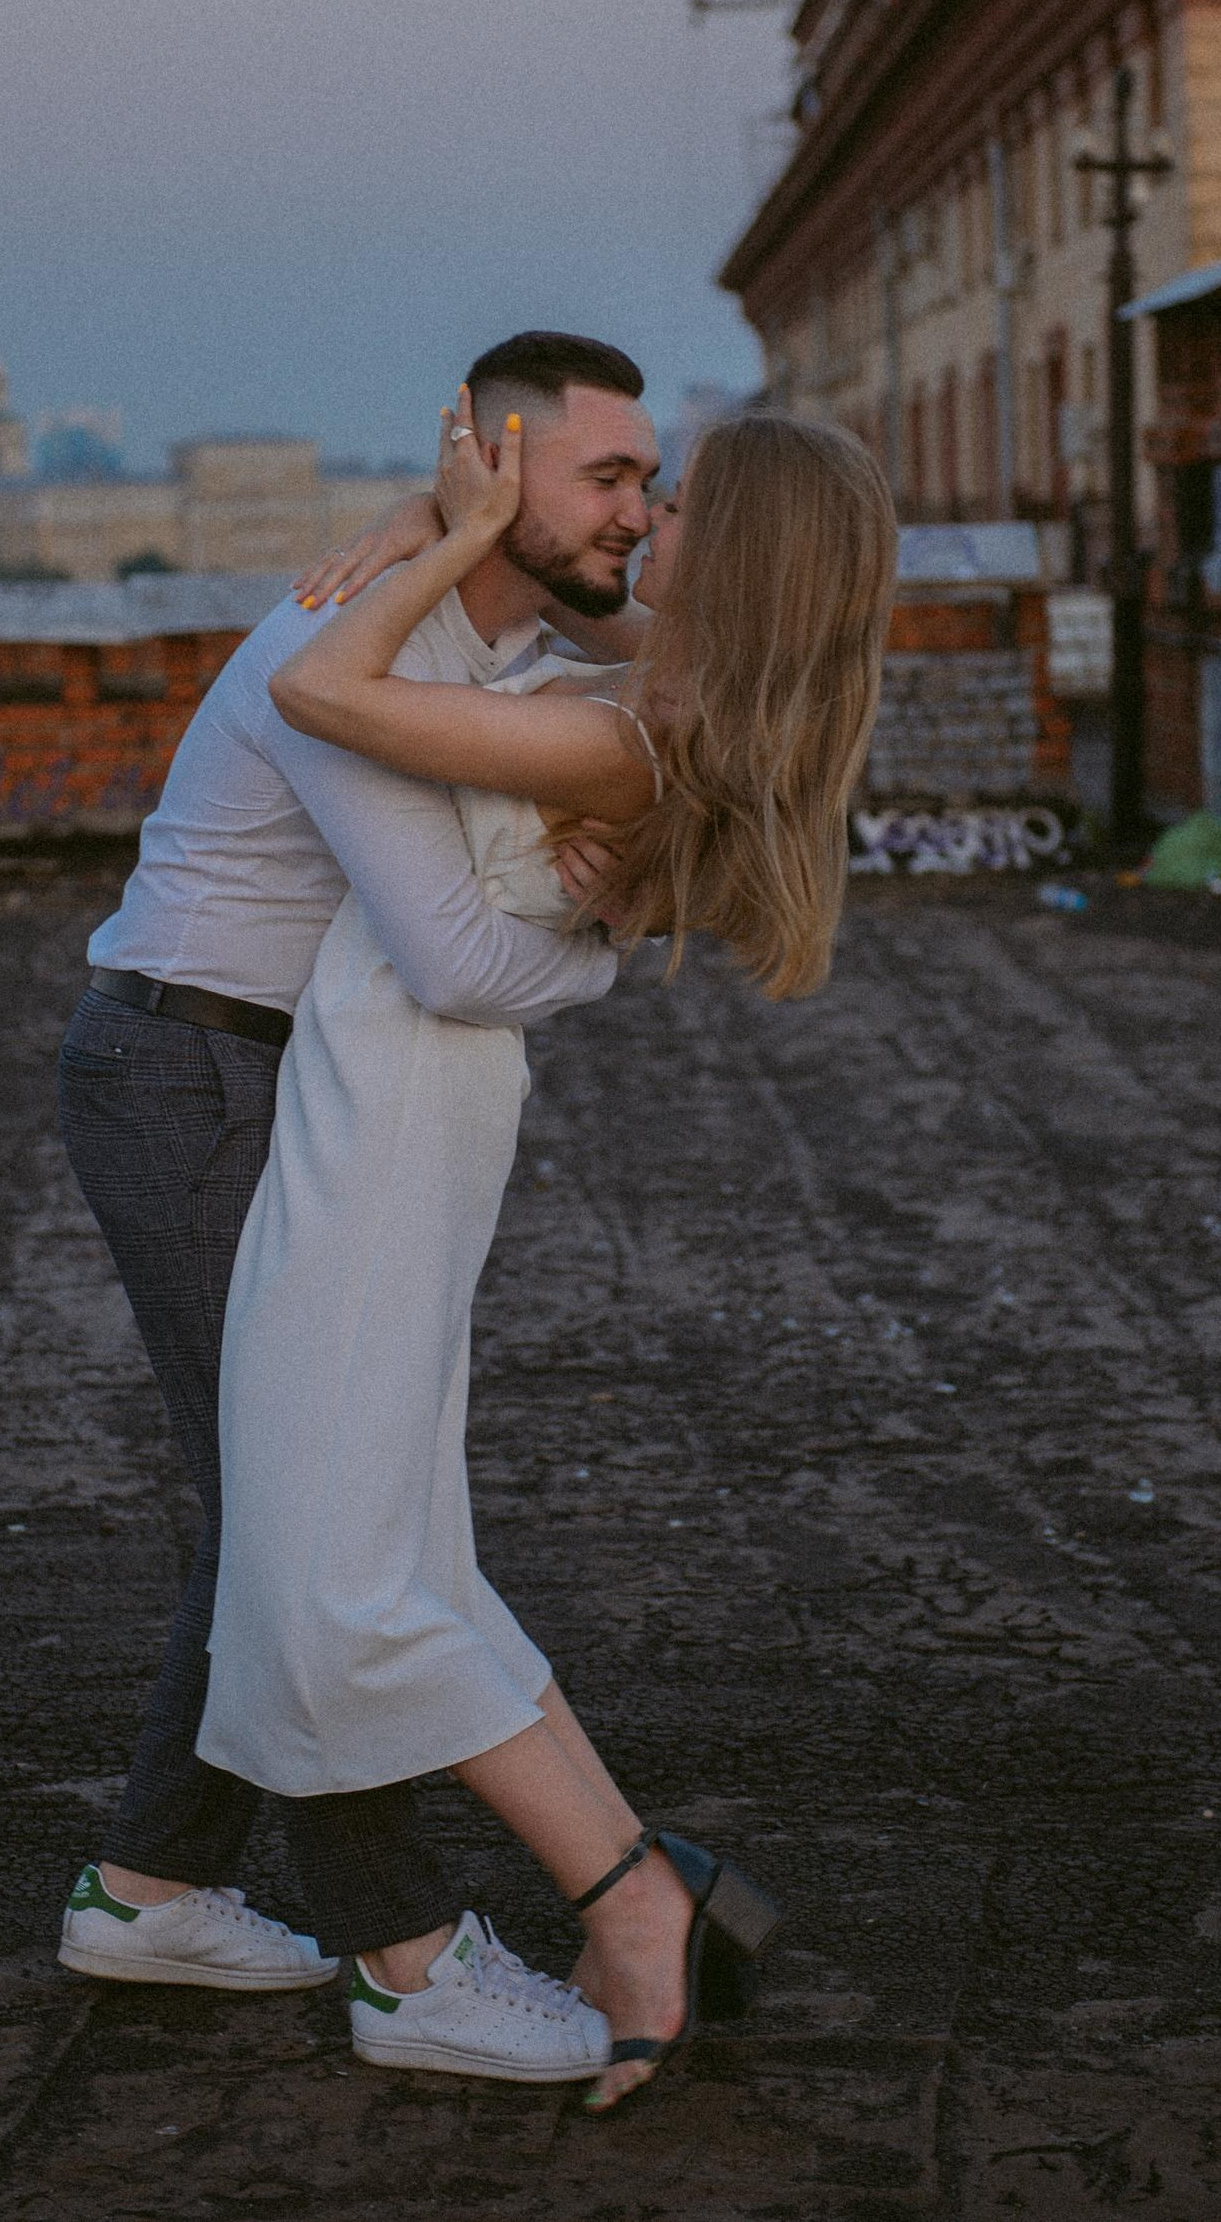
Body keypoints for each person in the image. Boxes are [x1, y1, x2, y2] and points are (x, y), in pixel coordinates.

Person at [201, 385, 897, 2110]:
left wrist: (441, 538)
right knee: (377, 1541)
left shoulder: (628, 740)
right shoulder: (689, 695)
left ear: (738, 558)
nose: (646, 522)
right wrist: (446, 546)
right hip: (402, 1104)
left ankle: (625, 1895)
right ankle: (627, 1890)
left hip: (387, 1118)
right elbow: (633, 630)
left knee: (343, 1573)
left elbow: (317, 694)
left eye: (681, 506)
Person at [54, 335, 656, 2071]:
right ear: (496, 459)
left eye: (649, 477)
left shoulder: (499, 625)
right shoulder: (357, 641)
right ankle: (400, 1951)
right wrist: (613, 932)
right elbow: (462, 959)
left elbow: (687, 648)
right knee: (310, 1527)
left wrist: (456, 526)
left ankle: (152, 1887)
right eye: (607, 478)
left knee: (287, 1508)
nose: (641, 510)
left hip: (273, 1076)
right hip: (196, 1080)